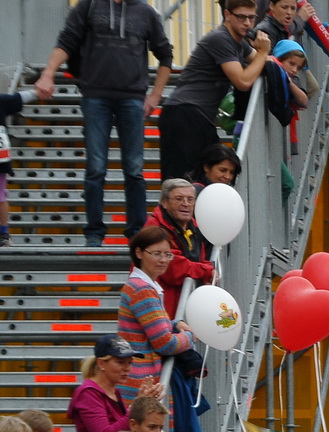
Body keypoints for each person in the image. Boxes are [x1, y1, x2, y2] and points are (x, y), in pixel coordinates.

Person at [37, 0, 175, 248]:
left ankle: (136, 234)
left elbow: (165, 54)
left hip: (132, 98)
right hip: (95, 96)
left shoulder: (146, 12)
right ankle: (94, 234)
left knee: (134, 170)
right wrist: (48, 73)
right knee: (95, 169)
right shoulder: (89, 6)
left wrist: (155, 95)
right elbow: (67, 41)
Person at [159, 0, 272, 192]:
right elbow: (243, 81)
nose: (247, 23)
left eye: (251, 18)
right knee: (180, 185)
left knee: (206, 180)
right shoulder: (220, 38)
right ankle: (170, 222)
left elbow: (263, 63)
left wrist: (269, 59)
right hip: (184, 114)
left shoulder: (239, 43)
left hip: (201, 118)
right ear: (227, 15)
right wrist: (263, 52)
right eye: (241, 17)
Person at [118, 228, 196, 408]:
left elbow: (151, 325)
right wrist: (190, 337)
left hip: (140, 378)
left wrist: (175, 324)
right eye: (156, 254)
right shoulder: (142, 289)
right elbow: (165, 343)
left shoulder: (142, 285)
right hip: (141, 381)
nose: (162, 260)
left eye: (167, 254)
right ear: (138, 253)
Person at [68, 337, 145, 432]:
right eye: (120, 362)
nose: (127, 368)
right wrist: (136, 408)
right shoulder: (88, 393)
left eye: (130, 363)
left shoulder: (114, 391)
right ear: (101, 363)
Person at [143, 180, 214, 320]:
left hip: (180, 308)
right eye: (179, 199)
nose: (186, 204)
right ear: (164, 202)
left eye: (190, 199)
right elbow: (173, 268)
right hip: (158, 308)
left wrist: (206, 268)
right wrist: (206, 270)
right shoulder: (154, 228)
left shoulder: (192, 225)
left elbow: (200, 257)